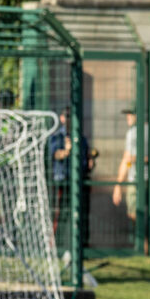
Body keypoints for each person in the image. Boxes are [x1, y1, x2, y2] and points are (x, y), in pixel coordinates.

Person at [48, 107, 93, 251]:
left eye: (71, 117)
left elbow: (86, 158)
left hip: (77, 181)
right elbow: (55, 155)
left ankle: (80, 245)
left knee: (79, 213)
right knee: (60, 213)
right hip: (62, 180)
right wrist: (67, 151)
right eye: (66, 117)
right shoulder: (56, 136)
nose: (68, 120)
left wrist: (90, 160)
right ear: (61, 118)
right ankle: (56, 245)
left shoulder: (80, 137)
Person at [111, 108, 137, 224]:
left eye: (130, 114)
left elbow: (128, 159)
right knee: (134, 215)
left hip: (136, 181)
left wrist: (118, 185)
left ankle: (146, 242)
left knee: (135, 215)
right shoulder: (133, 132)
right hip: (136, 179)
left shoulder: (133, 133)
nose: (128, 116)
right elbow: (128, 160)